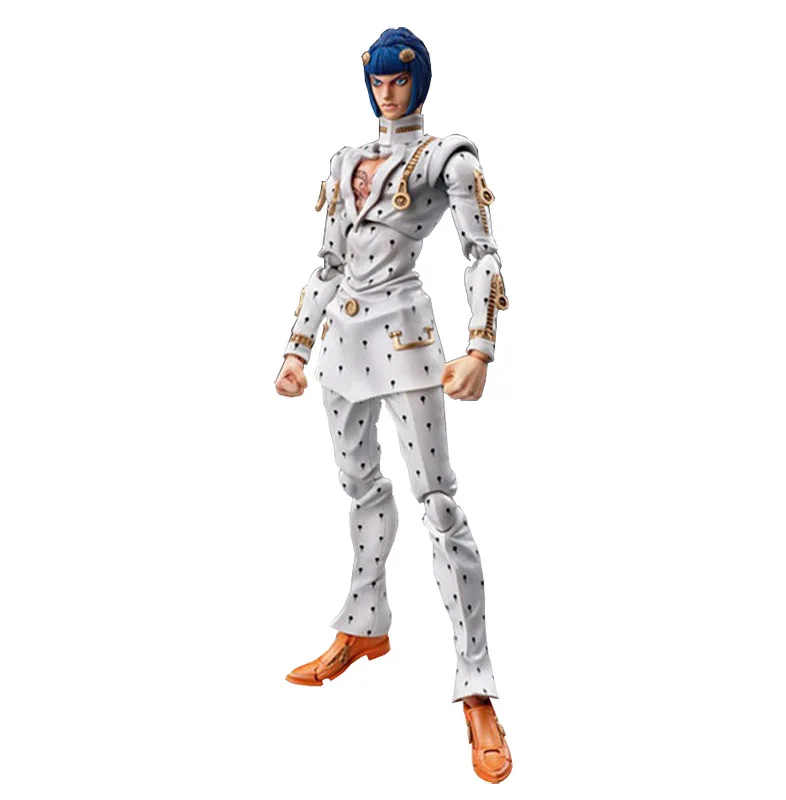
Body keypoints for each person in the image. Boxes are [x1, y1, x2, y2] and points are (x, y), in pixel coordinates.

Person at [274, 27, 511, 783]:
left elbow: (482, 254)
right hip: (342, 346)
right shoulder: (345, 161)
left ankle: (476, 686)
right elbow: (326, 263)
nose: (387, 92)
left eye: (399, 80)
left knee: (437, 504)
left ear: (419, 82)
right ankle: (364, 625)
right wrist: (296, 347)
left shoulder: (447, 158)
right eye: (377, 81)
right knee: (360, 491)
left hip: (407, 340)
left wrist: (480, 347)